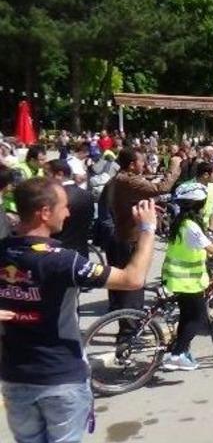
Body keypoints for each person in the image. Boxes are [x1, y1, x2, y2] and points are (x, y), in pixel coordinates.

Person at [0, 178, 156, 443]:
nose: (68, 213)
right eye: (63, 206)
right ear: (44, 212)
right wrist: (147, 228)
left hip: (15, 378)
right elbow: (132, 279)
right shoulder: (61, 260)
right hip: (60, 377)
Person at [161, 182, 213, 371]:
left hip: (178, 278)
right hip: (187, 281)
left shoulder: (181, 222)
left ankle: (178, 351)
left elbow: (201, 244)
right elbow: (209, 247)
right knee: (198, 319)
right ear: (198, 204)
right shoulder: (190, 225)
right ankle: (176, 355)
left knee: (187, 316)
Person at [108, 148, 182, 319]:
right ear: (132, 164)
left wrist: (145, 206)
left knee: (131, 287)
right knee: (133, 286)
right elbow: (161, 188)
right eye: (142, 161)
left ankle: (130, 323)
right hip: (130, 238)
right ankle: (129, 331)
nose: (145, 164)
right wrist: (174, 166)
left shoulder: (123, 178)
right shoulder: (127, 180)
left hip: (126, 235)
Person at [46, 160, 94, 259]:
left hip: (59, 254)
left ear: (59, 174)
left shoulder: (54, 196)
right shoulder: (87, 195)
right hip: (81, 252)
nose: (44, 178)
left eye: (47, 174)